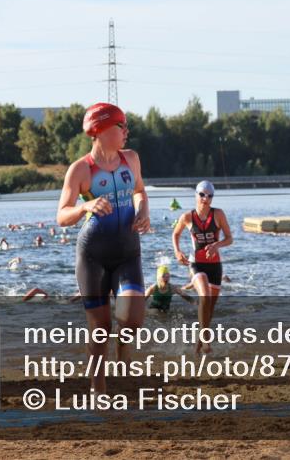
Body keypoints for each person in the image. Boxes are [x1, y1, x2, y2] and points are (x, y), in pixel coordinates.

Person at [57, 102, 151, 394]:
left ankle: (123, 353)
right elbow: (62, 216)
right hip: (93, 255)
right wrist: (86, 205)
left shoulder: (131, 159)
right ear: (99, 130)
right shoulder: (81, 169)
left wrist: (143, 211)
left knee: (132, 319)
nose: (126, 131)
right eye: (120, 126)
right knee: (100, 330)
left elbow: (139, 191)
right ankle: (98, 389)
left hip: (127, 252)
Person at [172, 180, 233, 355]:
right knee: (204, 293)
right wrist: (177, 251)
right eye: (202, 195)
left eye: (209, 196)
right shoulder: (187, 217)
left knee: (209, 309)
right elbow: (175, 234)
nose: (205, 199)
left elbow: (229, 238)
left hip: (215, 266)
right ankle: (206, 342)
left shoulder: (218, 214)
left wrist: (216, 245)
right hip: (196, 264)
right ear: (196, 195)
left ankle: (198, 346)